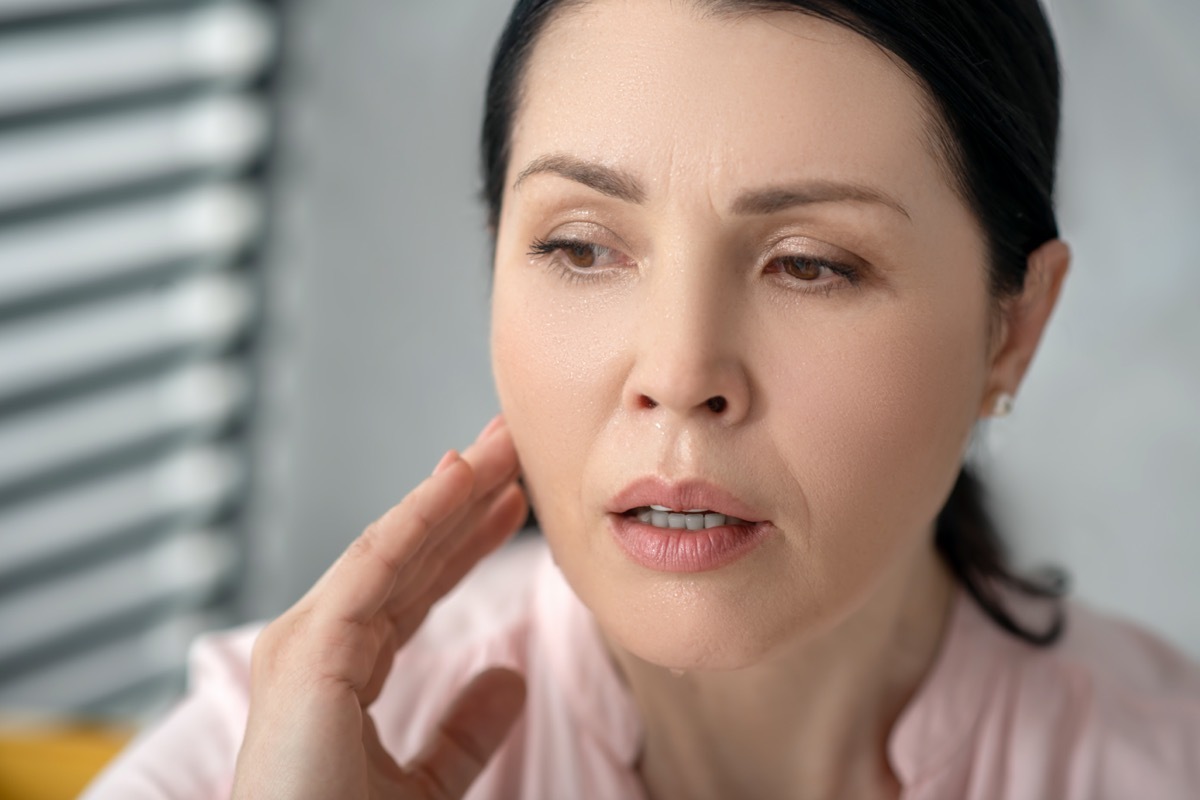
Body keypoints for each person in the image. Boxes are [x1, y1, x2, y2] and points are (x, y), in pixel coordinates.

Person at [84, 1, 1200, 798]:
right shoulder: (274, 751)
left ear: (1011, 327)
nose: (676, 370)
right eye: (579, 246)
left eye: (811, 263)